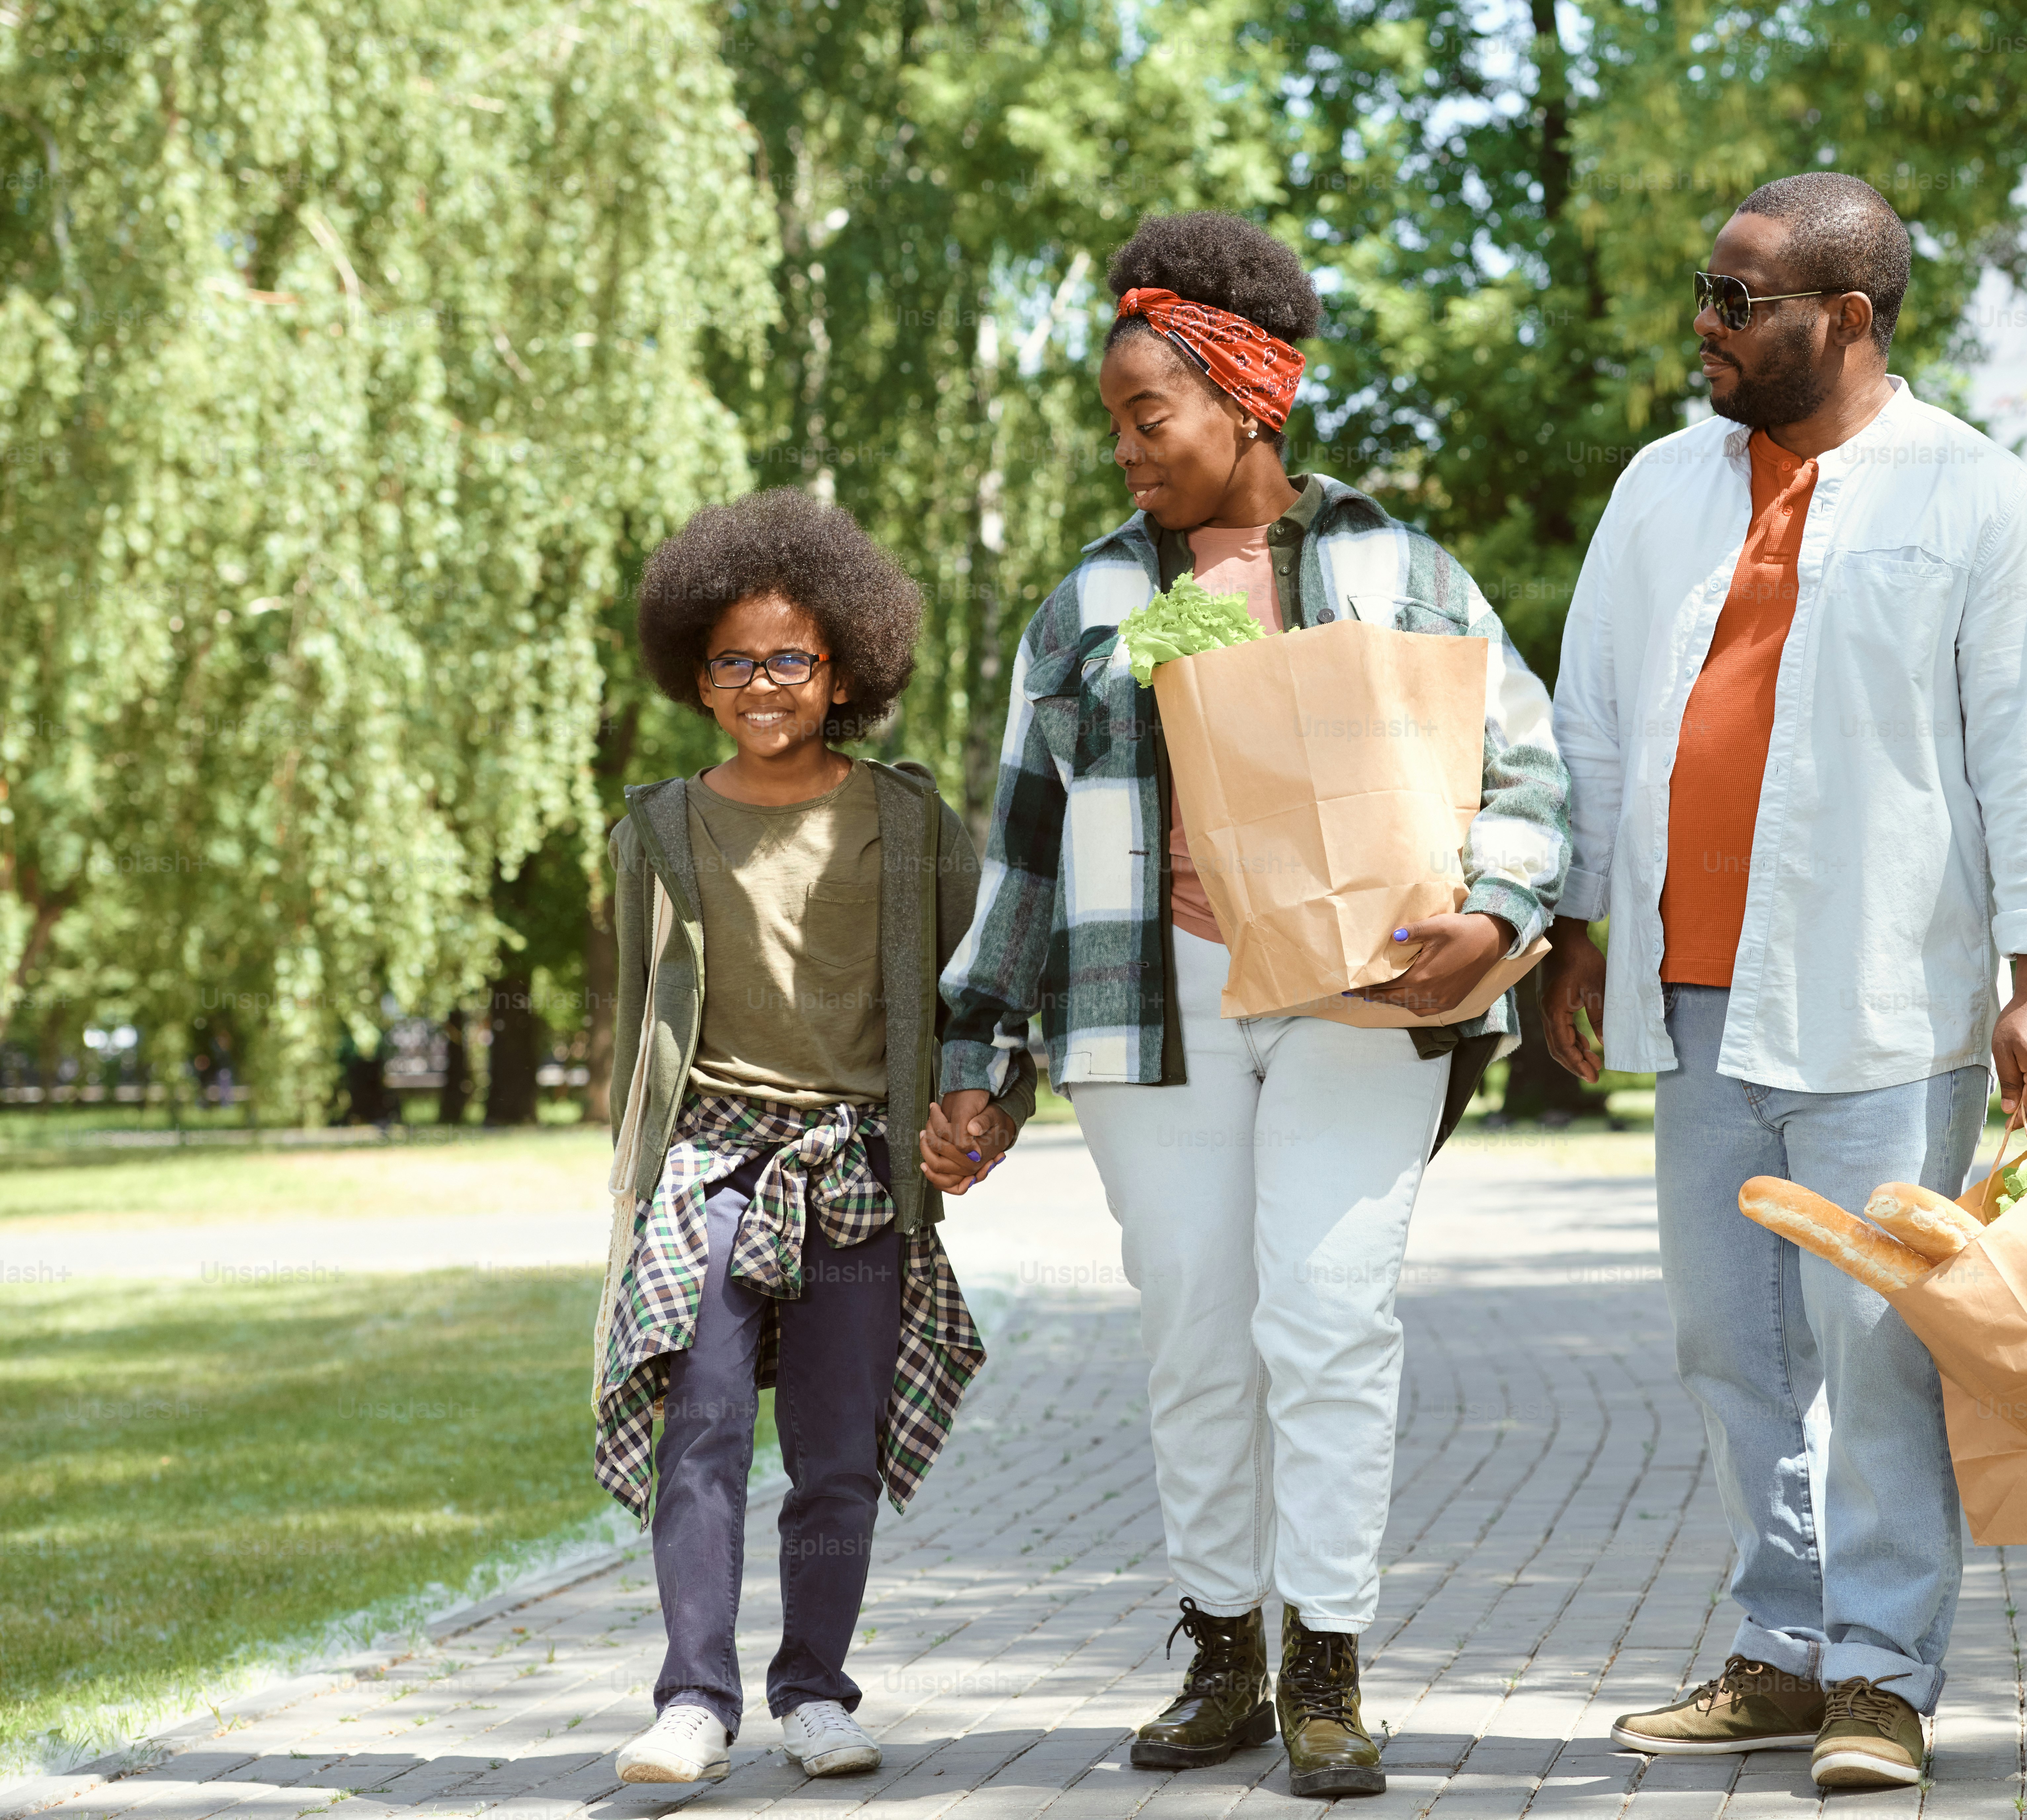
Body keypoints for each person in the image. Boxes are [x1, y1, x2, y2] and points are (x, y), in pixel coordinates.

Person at [932, 212, 1568, 1800]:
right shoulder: (1088, 598)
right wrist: (980, 1057)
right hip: (1157, 1005)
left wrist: (1495, 904)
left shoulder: (1408, 571)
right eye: (1116, 426)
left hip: (1364, 996)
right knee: (1200, 1328)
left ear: (1246, 396)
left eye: (1152, 418)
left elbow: (1534, 770)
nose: (1130, 451)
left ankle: (1329, 1663)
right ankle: (1222, 1643)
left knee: (1332, 1315)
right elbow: (1023, 831)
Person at [1540, 173, 2027, 1792]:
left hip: (1886, 999)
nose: (1703, 329)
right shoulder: (1660, 487)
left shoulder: (1980, 500)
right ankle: (1781, 1649)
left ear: (1845, 319)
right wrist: (1577, 926)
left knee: (1879, 1349)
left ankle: (1881, 1674)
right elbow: (1589, 717)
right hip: (1694, 998)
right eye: (1704, 295)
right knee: (1733, 1346)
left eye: (1737, 302)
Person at [594, 489, 1036, 1785]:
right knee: (706, 1423)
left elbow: (990, 986)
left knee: (836, 1447)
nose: (763, 681)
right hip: (709, 1167)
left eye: (792, 656)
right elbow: (636, 1032)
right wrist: (626, 1196)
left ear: (845, 666)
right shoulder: (659, 827)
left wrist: (991, 1106)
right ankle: (693, 1699)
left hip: (854, 1169)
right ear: (699, 673)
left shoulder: (905, 821)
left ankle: (816, 1689)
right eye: (734, 658)